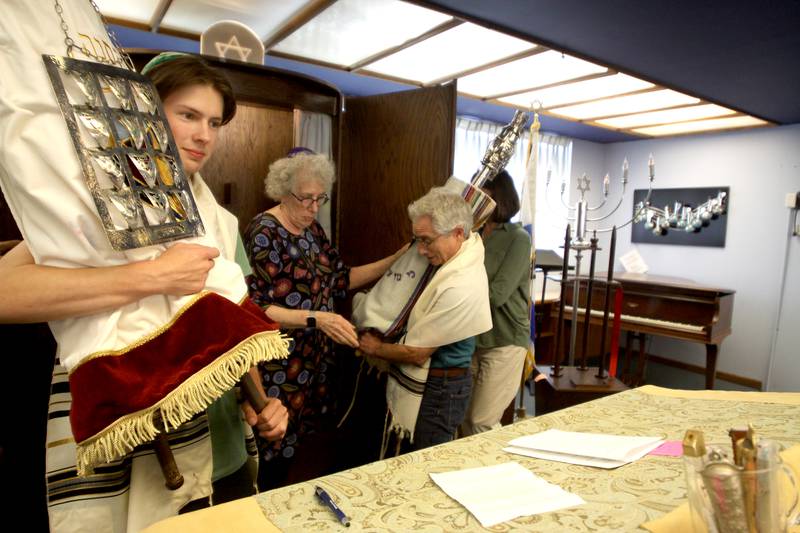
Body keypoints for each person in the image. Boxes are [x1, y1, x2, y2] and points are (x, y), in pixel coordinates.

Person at [0, 52, 288, 531]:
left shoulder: (221, 221)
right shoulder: (99, 203)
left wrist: (258, 401)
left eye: (214, 122)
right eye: (188, 115)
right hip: (144, 451)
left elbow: (234, 330)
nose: (205, 135)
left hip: (226, 445)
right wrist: (154, 277)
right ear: (143, 113)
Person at [244, 149, 407, 488]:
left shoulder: (313, 230)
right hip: (279, 363)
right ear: (282, 191)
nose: (314, 208)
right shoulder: (264, 230)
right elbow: (257, 308)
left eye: (320, 199)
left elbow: (341, 279)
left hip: (311, 361)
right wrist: (318, 318)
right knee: (273, 446)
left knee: (298, 448)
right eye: (306, 199)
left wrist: (395, 259)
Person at [358, 187, 491, 451]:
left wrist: (375, 348)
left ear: (457, 233)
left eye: (427, 240)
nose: (420, 250)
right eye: (417, 240)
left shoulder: (461, 283)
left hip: (443, 388)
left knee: (424, 460)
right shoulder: (455, 257)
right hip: (437, 381)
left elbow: (418, 353)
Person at [461, 170, 532, 436]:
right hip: (473, 340)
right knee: (465, 420)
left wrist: (455, 293)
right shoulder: (472, 234)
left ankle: (500, 474)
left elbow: (497, 294)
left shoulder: (517, 238)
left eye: (484, 194)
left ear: (499, 197)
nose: (476, 199)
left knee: (483, 421)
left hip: (505, 340)